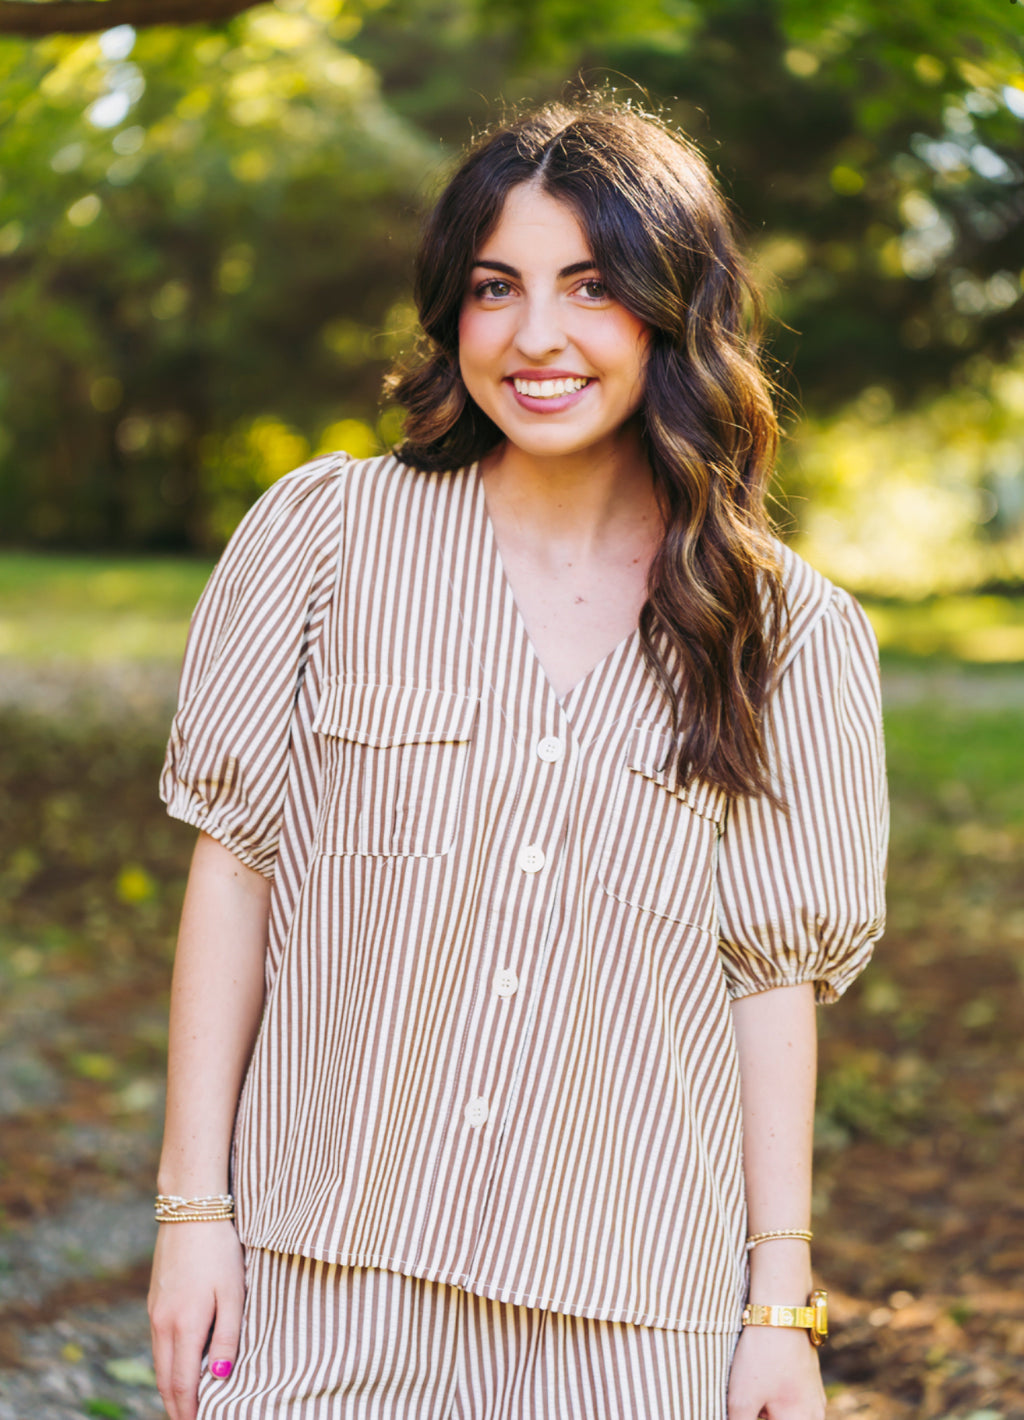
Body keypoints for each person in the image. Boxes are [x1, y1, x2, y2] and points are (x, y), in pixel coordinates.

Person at [147, 97, 888, 1420]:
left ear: (673, 311)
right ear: (451, 314)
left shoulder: (789, 635)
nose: (535, 337)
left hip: (631, 1317)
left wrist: (782, 1310)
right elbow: (237, 875)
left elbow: (767, 988)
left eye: (590, 287)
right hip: (326, 1278)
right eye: (497, 288)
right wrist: (192, 1210)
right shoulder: (325, 541)